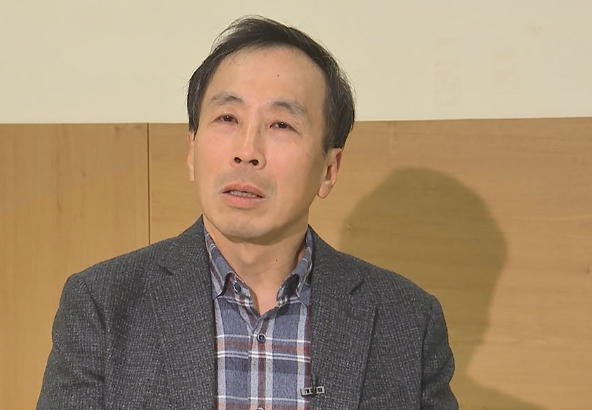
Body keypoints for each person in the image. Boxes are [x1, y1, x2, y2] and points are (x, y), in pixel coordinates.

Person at [37, 16, 458, 410]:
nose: (246, 151)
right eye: (227, 117)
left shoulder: (407, 321)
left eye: (281, 125)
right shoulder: (103, 304)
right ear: (191, 150)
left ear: (329, 170)